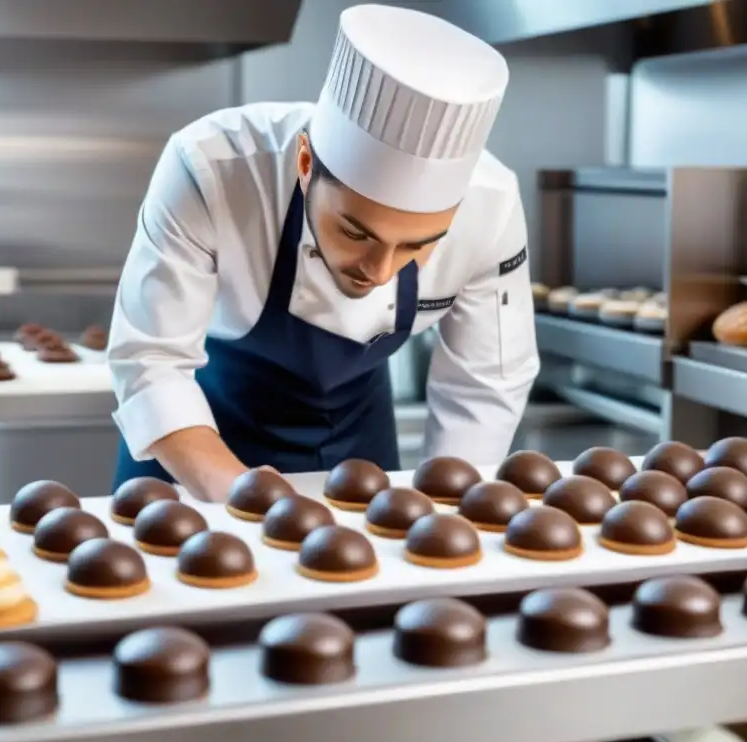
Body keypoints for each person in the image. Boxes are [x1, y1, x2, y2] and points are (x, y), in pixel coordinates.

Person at [108, 3, 540, 501]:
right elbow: (150, 360)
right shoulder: (212, 168)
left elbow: (486, 385)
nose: (380, 273)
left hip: (360, 440)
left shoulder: (492, 207)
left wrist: (443, 512)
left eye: (416, 247)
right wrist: (241, 497)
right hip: (197, 436)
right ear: (306, 163)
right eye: (356, 233)